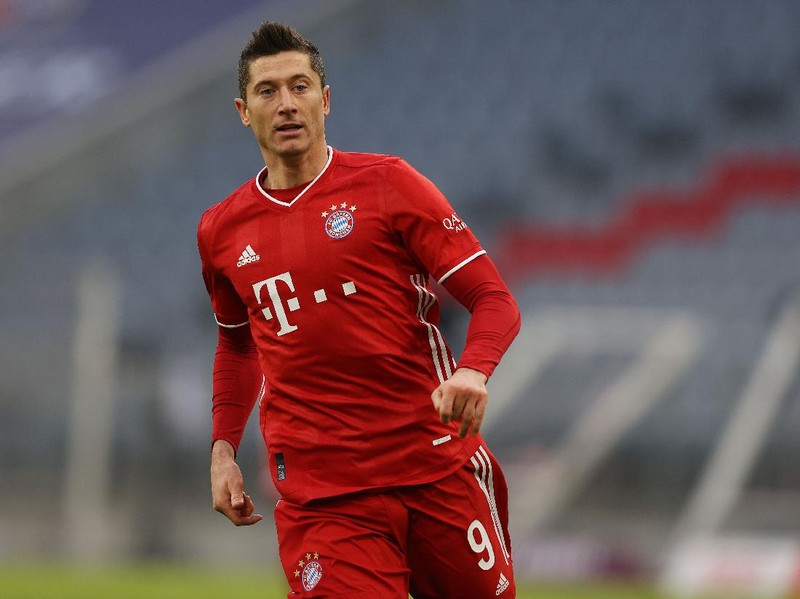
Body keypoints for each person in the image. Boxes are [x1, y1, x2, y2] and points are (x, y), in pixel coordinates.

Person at [197, 20, 521, 598]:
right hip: (326, 497)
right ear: (244, 111)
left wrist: (473, 369)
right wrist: (224, 446)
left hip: (435, 466)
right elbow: (237, 342)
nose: (286, 103)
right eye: (268, 91)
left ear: (325, 100)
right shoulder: (222, 231)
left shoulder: (389, 185)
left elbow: (493, 299)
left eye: (300, 86)